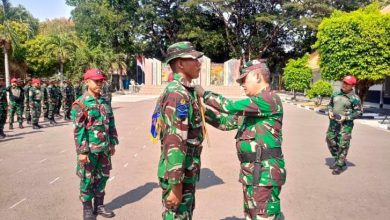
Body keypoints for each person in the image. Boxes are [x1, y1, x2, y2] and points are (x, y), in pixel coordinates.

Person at [195, 60, 286, 220]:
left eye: (244, 80)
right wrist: (202, 112)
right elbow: (225, 122)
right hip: (252, 172)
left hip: (265, 172)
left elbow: (229, 106)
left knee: (263, 216)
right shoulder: (253, 109)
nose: (242, 85)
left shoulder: (268, 99)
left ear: (258, 77)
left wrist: (205, 94)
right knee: (252, 215)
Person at [151, 41, 205, 220]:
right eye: (194, 59)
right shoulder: (177, 95)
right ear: (180, 64)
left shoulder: (186, 91)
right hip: (179, 175)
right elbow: (174, 141)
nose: (199, 63)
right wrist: (175, 186)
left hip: (186, 171)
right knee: (176, 216)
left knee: (184, 215)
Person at [71, 68, 119, 220]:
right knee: (87, 178)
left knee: (103, 177)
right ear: (87, 82)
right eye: (96, 81)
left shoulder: (105, 101)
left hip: (104, 148)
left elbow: (111, 123)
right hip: (90, 150)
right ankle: (87, 208)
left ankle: (99, 205)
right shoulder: (80, 103)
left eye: (101, 81)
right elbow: (78, 130)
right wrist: (82, 152)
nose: (100, 84)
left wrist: (112, 143)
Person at [326, 75, 362, 175]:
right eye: (344, 82)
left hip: (346, 125)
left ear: (352, 86)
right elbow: (330, 105)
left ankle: (340, 165)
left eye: (347, 84)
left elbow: (359, 112)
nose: (344, 85)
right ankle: (338, 160)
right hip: (333, 123)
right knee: (330, 140)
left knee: (343, 144)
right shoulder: (336, 93)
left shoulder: (355, 98)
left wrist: (346, 117)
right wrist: (329, 111)